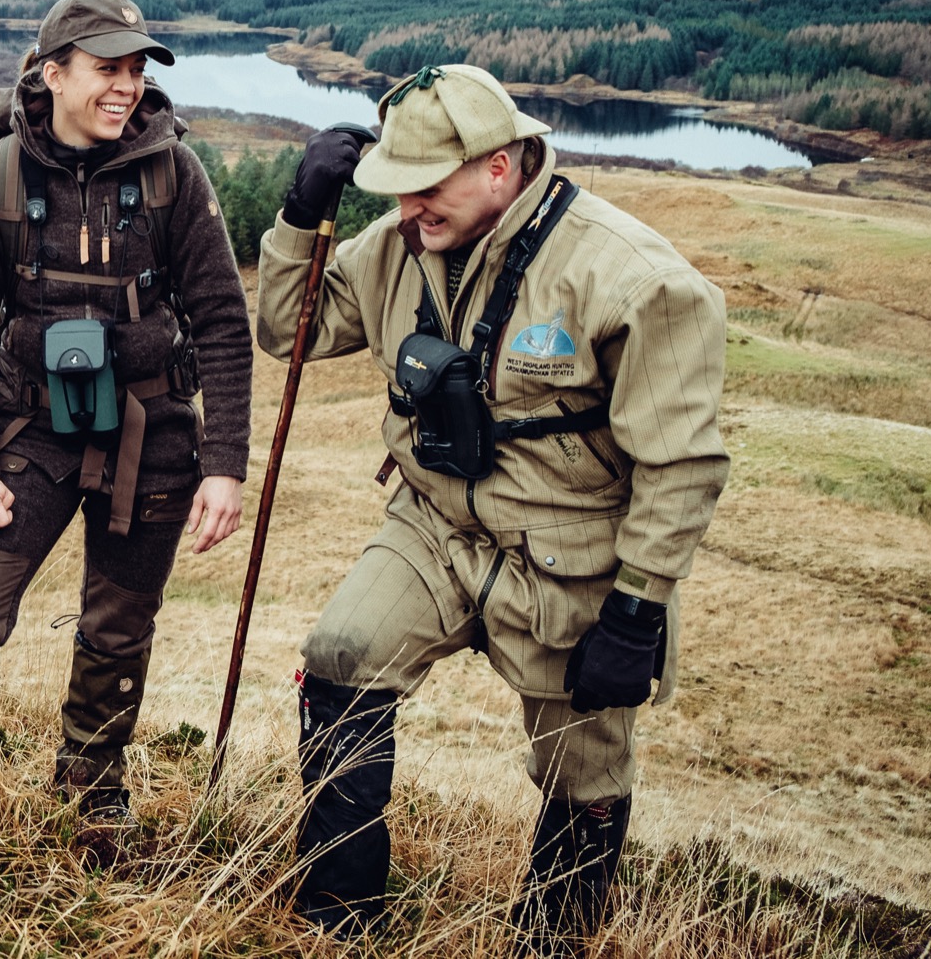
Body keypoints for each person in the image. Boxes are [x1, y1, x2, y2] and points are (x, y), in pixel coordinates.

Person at [255, 64, 728, 951]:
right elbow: (290, 329)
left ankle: (549, 940)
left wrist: (637, 610)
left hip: (569, 556)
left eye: (426, 190)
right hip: (432, 523)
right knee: (340, 656)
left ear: (500, 166)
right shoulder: (398, 244)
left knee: (583, 772)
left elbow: (683, 465)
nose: (405, 213)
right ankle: (336, 919)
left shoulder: (631, 279)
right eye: (395, 192)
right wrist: (297, 215)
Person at [0, 0, 252, 833]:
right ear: (53, 73)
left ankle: (91, 788)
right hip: (29, 433)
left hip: (155, 437)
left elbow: (221, 324)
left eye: (137, 69)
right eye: (107, 68)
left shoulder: (175, 175)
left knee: (118, 626)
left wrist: (225, 467)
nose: (126, 86)